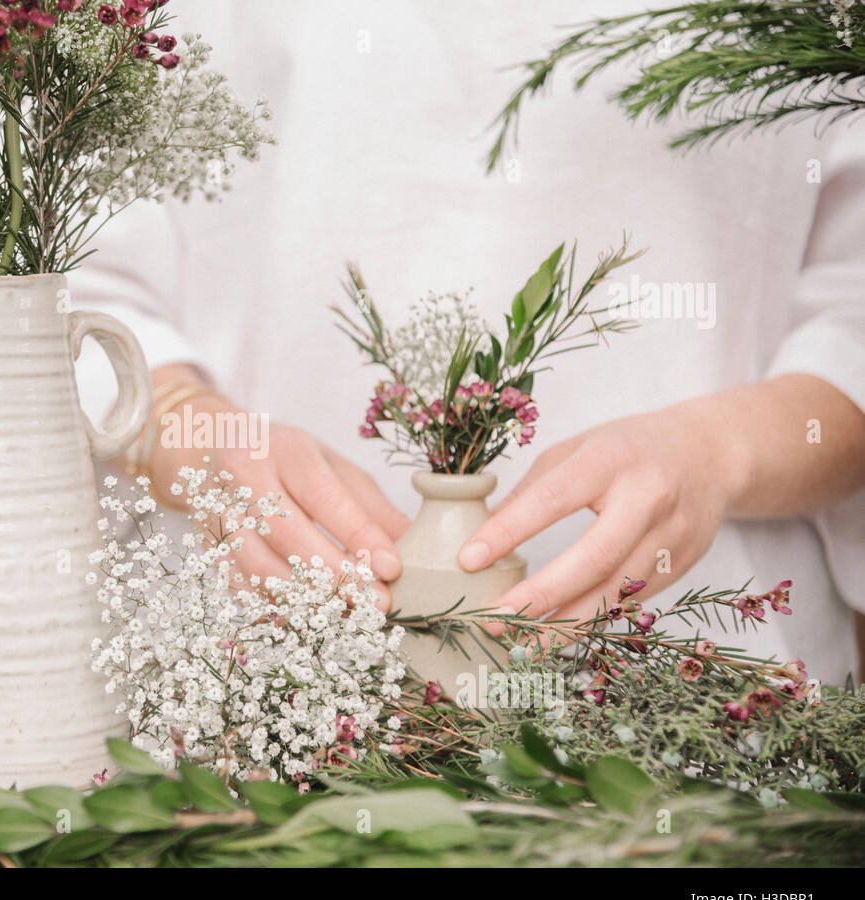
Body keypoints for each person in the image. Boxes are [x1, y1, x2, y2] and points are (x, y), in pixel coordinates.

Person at [70, 0, 865, 683]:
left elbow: (851, 311)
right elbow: (63, 271)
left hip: (710, 676)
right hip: (239, 673)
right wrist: (196, 436)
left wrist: (715, 451)